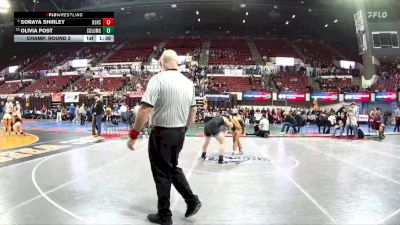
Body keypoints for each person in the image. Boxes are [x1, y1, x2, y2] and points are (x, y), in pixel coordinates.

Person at [127, 50, 201, 225]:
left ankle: (164, 215)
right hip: (179, 132)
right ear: (176, 63)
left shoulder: (157, 79)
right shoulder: (188, 82)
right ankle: (191, 200)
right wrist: (184, 127)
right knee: (171, 167)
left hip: (162, 132)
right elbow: (193, 110)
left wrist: (134, 134)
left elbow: (145, 109)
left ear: (162, 63)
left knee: (161, 173)